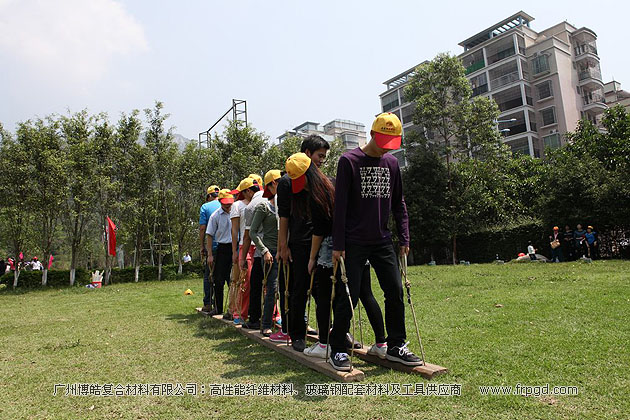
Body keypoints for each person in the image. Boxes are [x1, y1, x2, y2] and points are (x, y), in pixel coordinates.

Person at [329, 112, 421, 371]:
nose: (385, 148)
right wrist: (338, 245)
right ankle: (338, 347)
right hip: (353, 241)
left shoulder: (392, 164)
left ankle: (395, 345)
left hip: (382, 239)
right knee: (349, 295)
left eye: (391, 143)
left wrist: (404, 236)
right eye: (383, 142)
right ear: (371, 135)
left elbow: (398, 203)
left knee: (395, 290)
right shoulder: (349, 161)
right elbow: (341, 207)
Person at [288, 154, 387, 359]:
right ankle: (381, 342)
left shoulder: (316, 196)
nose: (301, 187)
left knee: (324, 297)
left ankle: (325, 344)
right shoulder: (333, 182)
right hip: (356, 242)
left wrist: (312, 258)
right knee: (364, 293)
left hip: (330, 247)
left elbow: (319, 231)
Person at [276, 135, 330, 352]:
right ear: (307, 154)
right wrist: (283, 246)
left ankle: (330, 333)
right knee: (298, 290)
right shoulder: (288, 182)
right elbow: (284, 217)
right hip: (298, 245)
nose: (322, 161)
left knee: (322, 291)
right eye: (319, 156)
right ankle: (297, 333)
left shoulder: (321, 180)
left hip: (322, 243)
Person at [249, 170, 282, 336]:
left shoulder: (284, 203)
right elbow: (252, 232)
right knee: (272, 289)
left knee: (288, 289)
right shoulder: (263, 205)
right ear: (272, 184)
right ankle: (266, 324)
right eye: (279, 180)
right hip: (270, 253)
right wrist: (264, 251)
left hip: (285, 251)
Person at [228, 177, 261, 323]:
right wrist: (235, 251)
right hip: (244, 245)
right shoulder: (237, 205)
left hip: (259, 245)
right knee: (244, 282)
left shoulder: (261, 200)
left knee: (263, 282)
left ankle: (268, 314)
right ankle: (240, 313)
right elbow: (234, 231)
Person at [240, 173, 270, 330]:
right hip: (278, 249)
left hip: (261, 251)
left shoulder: (251, 207)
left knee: (256, 285)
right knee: (273, 287)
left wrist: (243, 258)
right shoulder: (272, 198)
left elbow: (247, 236)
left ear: (248, 192)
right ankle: (273, 319)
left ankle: (255, 320)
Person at [205, 189, 235, 316]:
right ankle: (218, 308)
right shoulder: (215, 216)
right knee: (219, 280)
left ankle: (234, 309)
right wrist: (210, 254)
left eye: (230, 203)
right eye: (226, 203)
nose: (228, 206)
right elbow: (209, 235)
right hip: (222, 249)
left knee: (233, 280)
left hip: (235, 248)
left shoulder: (236, 212)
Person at [199, 185, 221, 313]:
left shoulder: (205, 207)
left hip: (212, 247)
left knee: (209, 275)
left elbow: (203, 228)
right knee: (225, 277)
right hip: (227, 246)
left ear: (208, 196)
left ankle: (208, 303)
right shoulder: (227, 203)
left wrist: (202, 246)